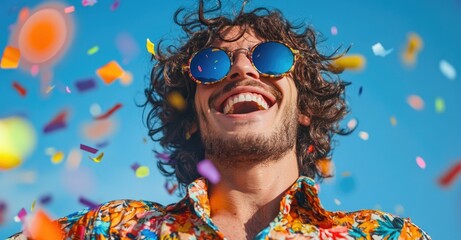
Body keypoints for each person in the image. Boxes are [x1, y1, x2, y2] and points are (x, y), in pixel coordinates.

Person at [9, 0, 431, 239]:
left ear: (305, 108)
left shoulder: (385, 235)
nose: (242, 70)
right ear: (191, 116)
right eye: (211, 64)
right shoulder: (111, 229)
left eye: (269, 58)